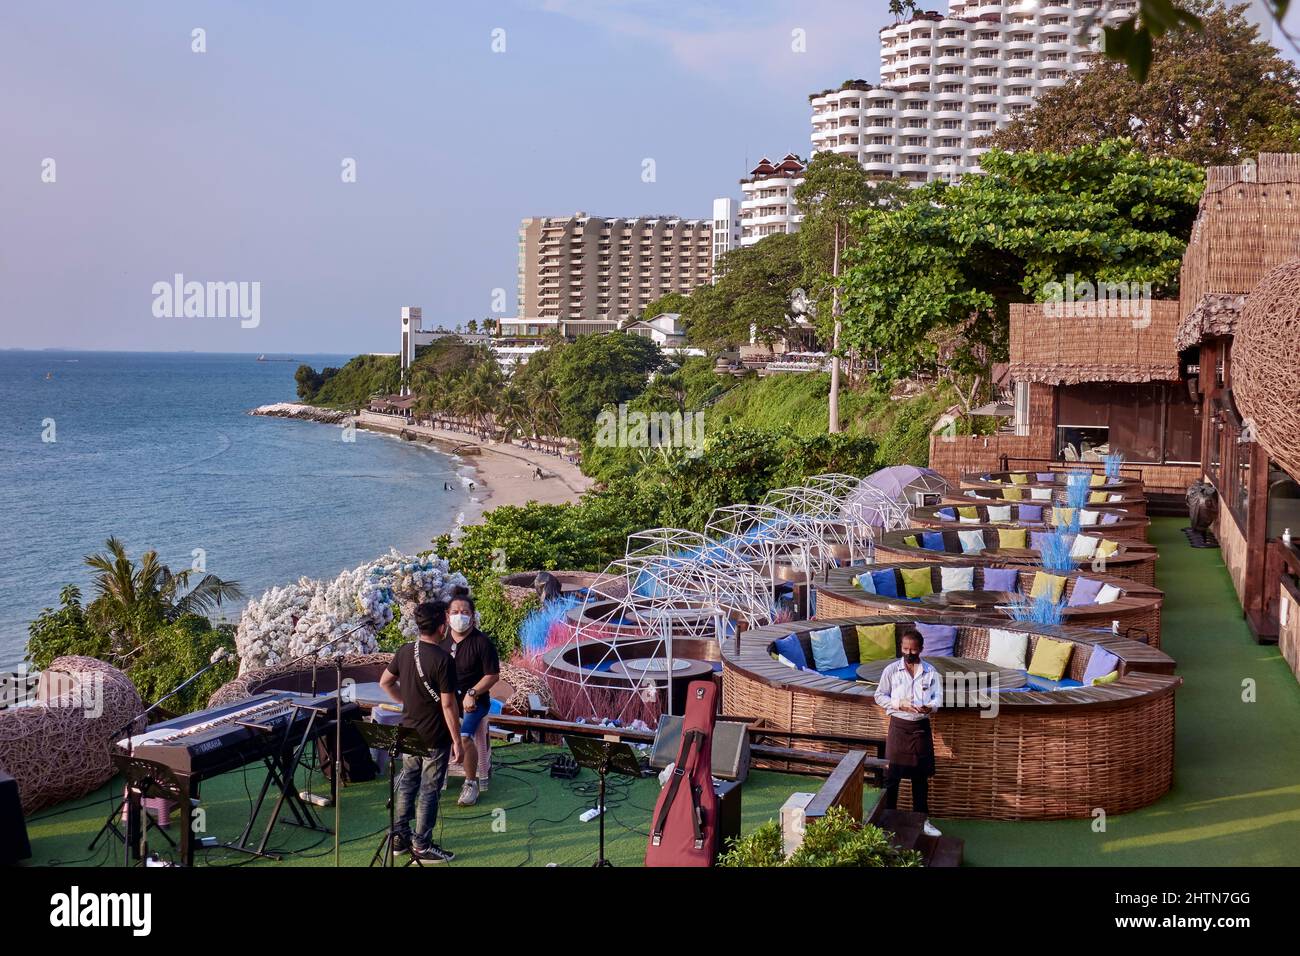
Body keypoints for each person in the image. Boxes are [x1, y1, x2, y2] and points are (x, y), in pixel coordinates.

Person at [379, 600, 463, 862]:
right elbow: (448, 705)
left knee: (407, 783)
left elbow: (385, 682)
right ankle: (422, 844)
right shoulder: (443, 660)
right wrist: (457, 741)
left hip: (409, 732)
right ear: (441, 627)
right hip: (435, 735)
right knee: (429, 789)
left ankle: (399, 838)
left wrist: (406, 700)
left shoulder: (405, 650)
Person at [872, 627, 943, 837]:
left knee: (920, 779)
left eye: (913, 650)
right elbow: (879, 695)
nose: (909, 654)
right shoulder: (891, 670)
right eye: (905, 649)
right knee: (892, 778)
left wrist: (930, 707)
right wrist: (898, 703)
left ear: (921, 649)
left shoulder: (931, 672)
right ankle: (887, 821)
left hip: (920, 728)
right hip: (898, 727)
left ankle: (923, 822)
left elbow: (938, 698)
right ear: (901, 648)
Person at [440, 592, 500, 806]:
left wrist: (472, 693)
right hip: (447, 702)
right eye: (455, 612)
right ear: (447, 617)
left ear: (472, 617)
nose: (460, 616)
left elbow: (492, 675)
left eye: (465, 612)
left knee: (465, 735)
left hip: (475, 704)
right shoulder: (441, 644)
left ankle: (470, 783)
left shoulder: (482, 643)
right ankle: (429, 773)